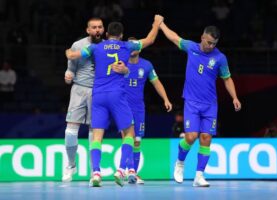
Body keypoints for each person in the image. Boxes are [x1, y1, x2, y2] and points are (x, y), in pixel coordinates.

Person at [66, 15, 164, 187]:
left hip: (98, 96)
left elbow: (75, 55)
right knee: (129, 134)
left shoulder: (95, 47)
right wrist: (156, 24)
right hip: (117, 95)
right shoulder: (127, 45)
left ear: (106, 34)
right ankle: (120, 170)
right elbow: (150, 39)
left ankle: (96, 173)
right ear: (121, 35)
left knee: (97, 137)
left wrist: (69, 53)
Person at [159, 20, 242, 187]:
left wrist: (234, 97)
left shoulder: (220, 58)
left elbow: (227, 78)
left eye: (214, 43)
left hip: (210, 104)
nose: (211, 46)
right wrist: (161, 25)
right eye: (208, 42)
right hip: (192, 102)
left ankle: (199, 176)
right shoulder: (191, 47)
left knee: (206, 138)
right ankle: (180, 163)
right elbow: (174, 37)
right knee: (191, 136)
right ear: (202, 37)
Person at [122, 36, 173, 184]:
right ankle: (129, 171)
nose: (132, 47)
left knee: (137, 141)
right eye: (129, 45)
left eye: (134, 45)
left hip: (138, 108)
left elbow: (156, 83)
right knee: (128, 139)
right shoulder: (119, 63)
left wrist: (166, 99)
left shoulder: (146, 65)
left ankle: (133, 173)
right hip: (123, 107)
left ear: (139, 47)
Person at [62, 18, 105, 182]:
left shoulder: (108, 46)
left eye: (100, 27)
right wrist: (68, 76)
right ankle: (71, 165)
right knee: (70, 131)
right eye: (94, 27)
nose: (97, 30)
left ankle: (93, 171)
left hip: (100, 91)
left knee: (95, 132)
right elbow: (70, 69)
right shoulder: (77, 45)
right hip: (79, 90)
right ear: (88, 30)